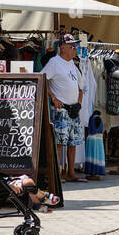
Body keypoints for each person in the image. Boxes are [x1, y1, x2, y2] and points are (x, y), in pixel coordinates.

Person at [43, 35, 85, 182]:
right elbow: (42, 80)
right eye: (72, 47)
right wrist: (53, 98)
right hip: (61, 110)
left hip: (74, 109)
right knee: (59, 142)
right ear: (63, 48)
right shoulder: (54, 62)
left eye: (75, 47)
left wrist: (79, 102)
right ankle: (56, 173)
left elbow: (81, 87)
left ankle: (71, 172)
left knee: (73, 142)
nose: (75, 49)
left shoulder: (72, 64)